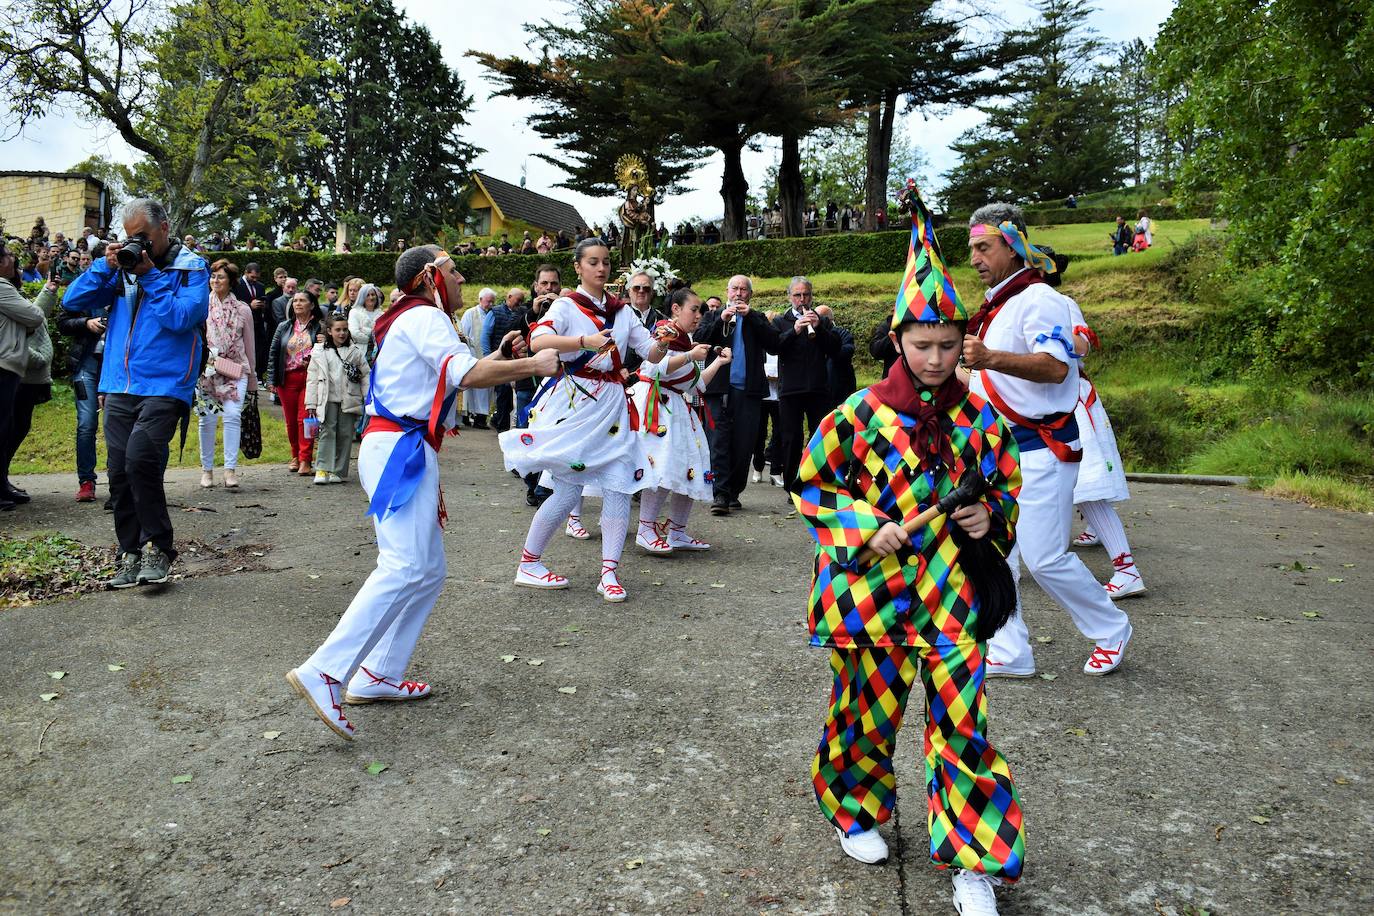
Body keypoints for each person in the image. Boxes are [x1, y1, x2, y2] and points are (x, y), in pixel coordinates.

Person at [794, 205, 1024, 913]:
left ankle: (973, 858)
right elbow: (812, 485)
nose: (934, 359)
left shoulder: (983, 420)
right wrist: (867, 525)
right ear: (898, 340)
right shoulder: (856, 414)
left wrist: (993, 519)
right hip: (872, 596)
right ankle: (856, 811)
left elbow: (1006, 488)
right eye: (921, 344)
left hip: (955, 597)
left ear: (963, 342)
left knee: (963, 723)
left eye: (948, 346)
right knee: (863, 711)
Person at [286, 246, 558, 739]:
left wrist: (498, 359)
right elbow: (464, 375)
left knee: (427, 570)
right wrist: (534, 366)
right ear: (432, 276)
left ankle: (377, 675)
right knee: (405, 566)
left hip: (401, 446)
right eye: (454, 271)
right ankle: (324, 670)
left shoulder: (414, 318)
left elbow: (454, 373)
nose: (461, 279)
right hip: (401, 447)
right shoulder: (427, 316)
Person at [963, 202, 1133, 677]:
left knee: (1045, 558)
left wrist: (990, 357)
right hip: (1000, 455)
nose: (975, 258)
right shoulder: (1001, 305)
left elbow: (1056, 367)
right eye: (972, 249)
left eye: (984, 247)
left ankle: (1111, 628)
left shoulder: (1040, 300)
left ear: (1013, 244)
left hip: (1039, 449)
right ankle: (1011, 650)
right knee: (999, 554)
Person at [501, 237, 672, 602]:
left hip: (612, 403)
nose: (601, 268)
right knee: (565, 490)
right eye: (593, 261)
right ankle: (529, 563)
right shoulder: (565, 306)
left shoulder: (623, 311)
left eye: (606, 261)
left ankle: (609, 572)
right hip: (577, 401)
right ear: (578, 267)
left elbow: (650, 353)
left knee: (619, 485)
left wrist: (664, 341)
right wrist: (584, 340)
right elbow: (538, 341)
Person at [61, 198, 210, 586]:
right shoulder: (121, 267)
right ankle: (128, 552)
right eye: (129, 238)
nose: (136, 245)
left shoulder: (191, 266)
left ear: (164, 227)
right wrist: (104, 265)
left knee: (141, 458)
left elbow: (181, 319)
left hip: (166, 383)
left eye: (141, 237)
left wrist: (149, 275)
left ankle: (158, 547)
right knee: (120, 471)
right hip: (118, 382)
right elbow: (71, 302)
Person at [632, 287, 731, 555]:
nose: (699, 315)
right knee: (663, 466)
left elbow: (695, 387)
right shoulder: (665, 332)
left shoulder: (687, 340)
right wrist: (689, 356)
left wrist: (718, 363)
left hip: (676, 406)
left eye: (700, 310)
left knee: (690, 465)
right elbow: (653, 369)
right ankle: (645, 529)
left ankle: (676, 531)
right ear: (676, 309)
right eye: (694, 309)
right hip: (657, 405)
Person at [696, 276, 779, 515]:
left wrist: (751, 316)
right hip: (717, 388)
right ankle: (720, 493)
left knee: (744, 443)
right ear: (727, 292)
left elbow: (774, 344)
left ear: (750, 295)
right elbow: (700, 339)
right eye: (735, 289)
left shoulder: (757, 318)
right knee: (718, 441)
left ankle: (733, 491)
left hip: (749, 390)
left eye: (744, 290)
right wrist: (720, 319)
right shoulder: (713, 316)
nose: (739, 294)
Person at [771, 277, 839, 491]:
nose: (802, 299)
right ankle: (792, 485)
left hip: (818, 389)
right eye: (797, 295)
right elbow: (775, 347)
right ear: (789, 296)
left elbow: (835, 348)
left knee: (820, 438)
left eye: (806, 295)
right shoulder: (780, 321)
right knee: (791, 438)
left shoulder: (822, 320)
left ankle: (817, 484)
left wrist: (818, 328)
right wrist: (795, 330)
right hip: (790, 390)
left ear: (811, 295)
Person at [196, 259, 257, 489]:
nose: (215, 280)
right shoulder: (202, 306)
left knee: (232, 416)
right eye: (212, 277)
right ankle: (207, 470)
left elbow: (249, 344)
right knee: (207, 420)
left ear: (230, 281)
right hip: (208, 371)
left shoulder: (242, 309)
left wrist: (252, 380)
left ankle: (230, 470)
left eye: (220, 277)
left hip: (235, 369)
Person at [0, 252, 50, 509]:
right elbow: (34, 316)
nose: (13, 261)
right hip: (3, 365)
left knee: (9, 426)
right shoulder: (1, 287)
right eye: (9, 257)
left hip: (10, 366)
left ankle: (2, 484)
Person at [56, 260, 109, 503]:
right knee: (86, 424)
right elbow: (62, 322)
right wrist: (85, 323)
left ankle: (119, 483)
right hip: (86, 365)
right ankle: (86, 481)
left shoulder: (125, 286)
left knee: (115, 426)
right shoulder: (81, 290)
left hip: (116, 367)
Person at [512, 264, 562, 506]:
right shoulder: (523, 311)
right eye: (544, 284)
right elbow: (511, 335)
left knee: (552, 435)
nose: (548, 288)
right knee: (527, 434)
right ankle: (532, 485)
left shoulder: (567, 309)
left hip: (558, 382)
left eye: (553, 284)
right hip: (527, 383)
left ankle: (546, 487)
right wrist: (532, 315)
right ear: (535, 286)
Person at [267, 290, 325, 475]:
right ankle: (295, 456)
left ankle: (306, 459)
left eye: (302, 300)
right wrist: (271, 379)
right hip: (287, 379)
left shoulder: (320, 327)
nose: (298, 304)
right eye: (295, 301)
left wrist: (324, 343)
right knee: (291, 421)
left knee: (307, 420)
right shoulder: (284, 326)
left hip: (310, 379)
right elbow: (274, 353)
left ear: (312, 305)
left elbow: (328, 350)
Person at [306, 315, 369, 484]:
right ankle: (322, 469)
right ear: (329, 331)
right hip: (327, 399)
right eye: (338, 330)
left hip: (349, 398)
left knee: (345, 434)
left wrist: (368, 398)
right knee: (327, 432)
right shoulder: (319, 352)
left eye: (345, 329)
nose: (342, 333)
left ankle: (338, 471)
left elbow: (365, 375)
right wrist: (310, 403)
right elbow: (312, 379)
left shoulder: (354, 351)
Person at [484, 288, 525, 431]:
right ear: (509, 297)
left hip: (512, 360)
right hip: (498, 359)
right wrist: (488, 357)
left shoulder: (520, 312)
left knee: (508, 398)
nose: (520, 304)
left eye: (522, 301)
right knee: (502, 395)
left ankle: (497, 421)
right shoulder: (494, 312)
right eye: (518, 300)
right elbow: (485, 335)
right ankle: (502, 427)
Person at [457, 289, 495, 428]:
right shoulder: (470, 313)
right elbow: (463, 334)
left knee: (485, 389)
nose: (490, 304)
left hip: (488, 355)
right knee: (472, 389)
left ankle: (481, 417)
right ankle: (470, 416)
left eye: (492, 301)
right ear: (480, 300)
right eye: (488, 301)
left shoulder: (493, 313)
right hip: (473, 354)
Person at [621, 271, 664, 374]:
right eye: (636, 288)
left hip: (655, 380)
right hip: (626, 378)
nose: (641, 291)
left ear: (652, 293)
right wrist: (618, 368)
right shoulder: (619, 317)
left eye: (646, 288)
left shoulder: (662, 319)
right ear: (629, 291)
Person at [752, 336, 781, 487]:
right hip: (762, 397)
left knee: (779, 434)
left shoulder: (781, 348)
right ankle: (757, 468)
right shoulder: (759, 349)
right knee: (759, 434)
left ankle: (776, 471)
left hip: (778, 397)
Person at [815, 304, 856, 410]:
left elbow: (847, 352)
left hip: (839, 387)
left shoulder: (842, 334)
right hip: (818, 389)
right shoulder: (812, 335)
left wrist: (830, 345)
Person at [348, 283, 383, 352]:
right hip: (360, 351)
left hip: (378, 351)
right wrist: (373, 338)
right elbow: (354, 333)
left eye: (373, 295)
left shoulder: (382, 314)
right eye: (367, 295)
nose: (371, 298)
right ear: (362, 297)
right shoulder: (354, 312)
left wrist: (364, 330)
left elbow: (383, 333)